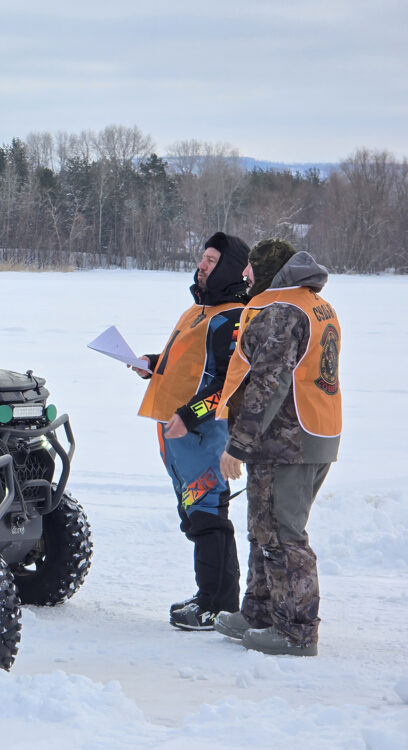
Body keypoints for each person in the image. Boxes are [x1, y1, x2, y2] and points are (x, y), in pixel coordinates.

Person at [214, 239, 341, 657]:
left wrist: (238, 446)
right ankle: (260, 613)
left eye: (251, 266)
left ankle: (297, 632)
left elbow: (268, 385)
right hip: (308, 434)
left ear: (268, 269)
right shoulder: (312, 303)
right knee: (263, 528)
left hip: (289, 440)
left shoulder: (282, 312)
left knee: (285, 535)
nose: (245, 274)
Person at [131, 232, 249, 630]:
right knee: (193, 514)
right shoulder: (197, 312)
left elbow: (227, 385)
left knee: (208, 515)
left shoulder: (231, 317)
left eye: (212, 260)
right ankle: (210, 595)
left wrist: (189, 415)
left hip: (201, 435)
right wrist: (152, 362)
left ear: (229, 268)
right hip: (177, 435)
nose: (202, 265)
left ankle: (217, 604)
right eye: (203, 258)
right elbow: (185, 362)